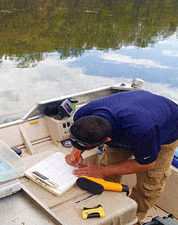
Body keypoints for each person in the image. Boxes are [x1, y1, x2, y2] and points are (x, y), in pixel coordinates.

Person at [65, 90, 178, 223]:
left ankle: (132, 218)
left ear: (107, 140)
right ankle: (110, 209)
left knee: (150, 184)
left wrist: (102, 171)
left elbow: (147, 164)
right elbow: (78, 137)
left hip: (164, 130)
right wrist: (76, 152)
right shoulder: (83, 114)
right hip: (130, 119)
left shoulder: (143, 131)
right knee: (106, 170)